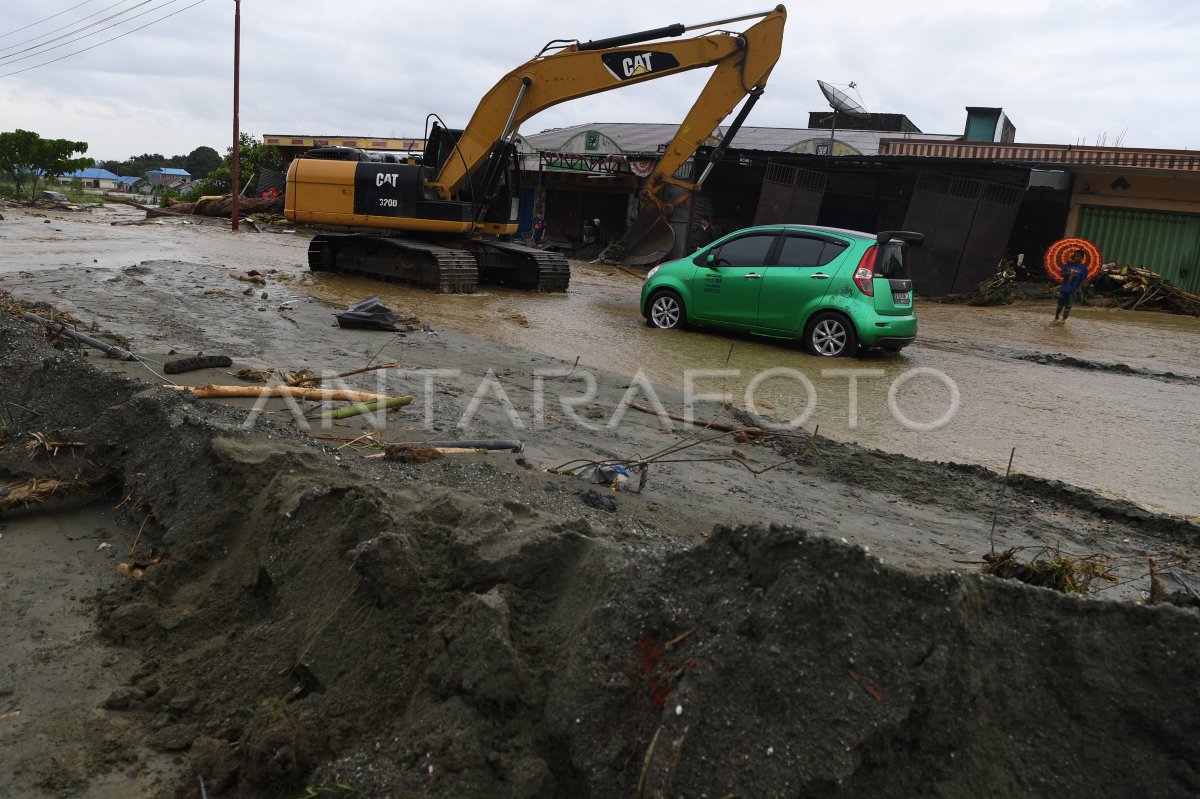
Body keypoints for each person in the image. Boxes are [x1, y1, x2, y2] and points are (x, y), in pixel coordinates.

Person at [1054, 248, 1089, 323]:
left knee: (1068, 307)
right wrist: (1068, 273)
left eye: (1078, 256)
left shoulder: (1083, 268)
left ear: (1082, 258)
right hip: (1064, 288)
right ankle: (1056, 317)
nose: (1076, 257)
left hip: (1073, 290)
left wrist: (1076, 291)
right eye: (1075, 256)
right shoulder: (1068, 265)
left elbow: (1082, 281)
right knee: (1060, 305)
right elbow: (1061, 274)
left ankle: (1063, 321)